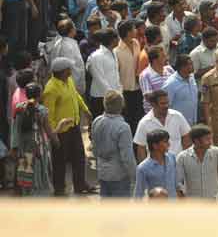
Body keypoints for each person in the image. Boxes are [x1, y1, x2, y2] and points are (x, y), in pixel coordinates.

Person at [42, 57, 92, 196]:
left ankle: (80, 185)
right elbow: (48, 115)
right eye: (69, 69)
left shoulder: (68, 81)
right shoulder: (51, 89)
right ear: (63, 71)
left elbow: (75, 95)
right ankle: (59, 189)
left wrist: (85, 110)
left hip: (74, 125)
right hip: (61, 131)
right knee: (60, 161)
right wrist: (53, 135)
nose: (71, 71)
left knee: (79, 156)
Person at [10, 82, 56, 196]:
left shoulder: (19, 109)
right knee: (40, 173)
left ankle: (27, 196)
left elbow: (15, 130)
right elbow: (48, 131)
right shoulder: (42, 110)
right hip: (38, 148)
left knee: (26, 174)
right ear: (39, 95)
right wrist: (55, 140)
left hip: (23, 147)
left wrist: (14, 147)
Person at [90, 90, 136, 197]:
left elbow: (94, 149)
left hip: (102, 172)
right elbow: (127, 157)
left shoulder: (97, 121)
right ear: (122, 105)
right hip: (119, 175)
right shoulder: (123, 127)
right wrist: (135, 175)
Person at [176, 124, 218, 199]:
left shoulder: (216, 152)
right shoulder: (182, 157)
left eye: (210, 139)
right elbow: (177, 180)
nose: (210, 142)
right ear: (196, 141)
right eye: (207, 139)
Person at [135, 129, 178, 199]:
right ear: (155, 145)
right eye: (165, 142)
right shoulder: (143, 168)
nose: (169, 144)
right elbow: (138, 194)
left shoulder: (172, 158)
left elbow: (176, 184)